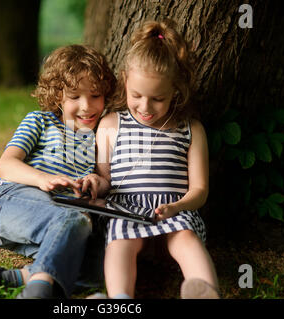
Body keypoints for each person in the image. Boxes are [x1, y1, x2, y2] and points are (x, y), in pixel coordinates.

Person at [0, 44, 116, 299]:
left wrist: (96, 181)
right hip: (10, 201)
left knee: (99, 266)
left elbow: (104, 182)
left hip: (56, 222)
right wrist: (43, 179)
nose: (87, 106)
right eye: (75, 96)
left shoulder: (97, 137)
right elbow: (5, 165)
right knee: (73, 219)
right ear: (57, 95)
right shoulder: (39, 121)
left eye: (95, 95)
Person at [91, 20, 220, 299]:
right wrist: (93, 184)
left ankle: (206, 291)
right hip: (127, 212)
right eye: (136, 95)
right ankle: (120, 299)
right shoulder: (112, 124)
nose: (145, 107)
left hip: (174, 212)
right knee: (120, 242)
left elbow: (199, 190)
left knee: (185, 239)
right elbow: (104, 179)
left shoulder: (190, 128)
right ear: (125, 81)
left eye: (158, 98)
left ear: (176, 90)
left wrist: (178, 206)